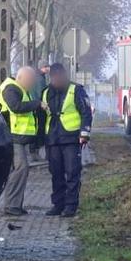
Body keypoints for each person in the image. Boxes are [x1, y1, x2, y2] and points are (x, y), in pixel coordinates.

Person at [40, 63, 93, 217]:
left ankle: (70, 206)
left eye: (59, 77)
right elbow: (41, 117)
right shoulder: (45, 92)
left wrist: (84, 133)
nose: (57, 80)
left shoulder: (76, 90)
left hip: (71, 137)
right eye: (54, 78)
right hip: (53, 138)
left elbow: (86, 112)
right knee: (56, 173)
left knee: (72, 173)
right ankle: (58, 204)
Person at [0, 66, 47, 216]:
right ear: (22, 78)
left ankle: (15, 205)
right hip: (12, 136)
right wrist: (37, 103)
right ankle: (12, 206)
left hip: (18, 137)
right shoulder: (11, 88)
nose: (32, 84)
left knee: (19, 169)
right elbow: (16, 107)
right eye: (31, 81)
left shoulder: (18, 87)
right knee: (20, 169)